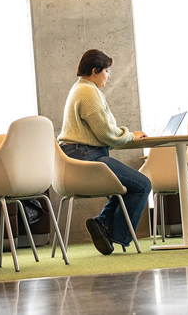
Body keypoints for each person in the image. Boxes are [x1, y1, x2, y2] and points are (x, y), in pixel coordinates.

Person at [58, 49, 151, 255]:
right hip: (87, 157)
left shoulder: (78, 88)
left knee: (122, 187)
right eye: (107, 71)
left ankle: (101, 224)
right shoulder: (89, 92)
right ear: (95, 70)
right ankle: (115, 235)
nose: (109, 76)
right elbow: (106, 134)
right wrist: (130, 136)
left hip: (74, 156)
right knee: (143, 184)